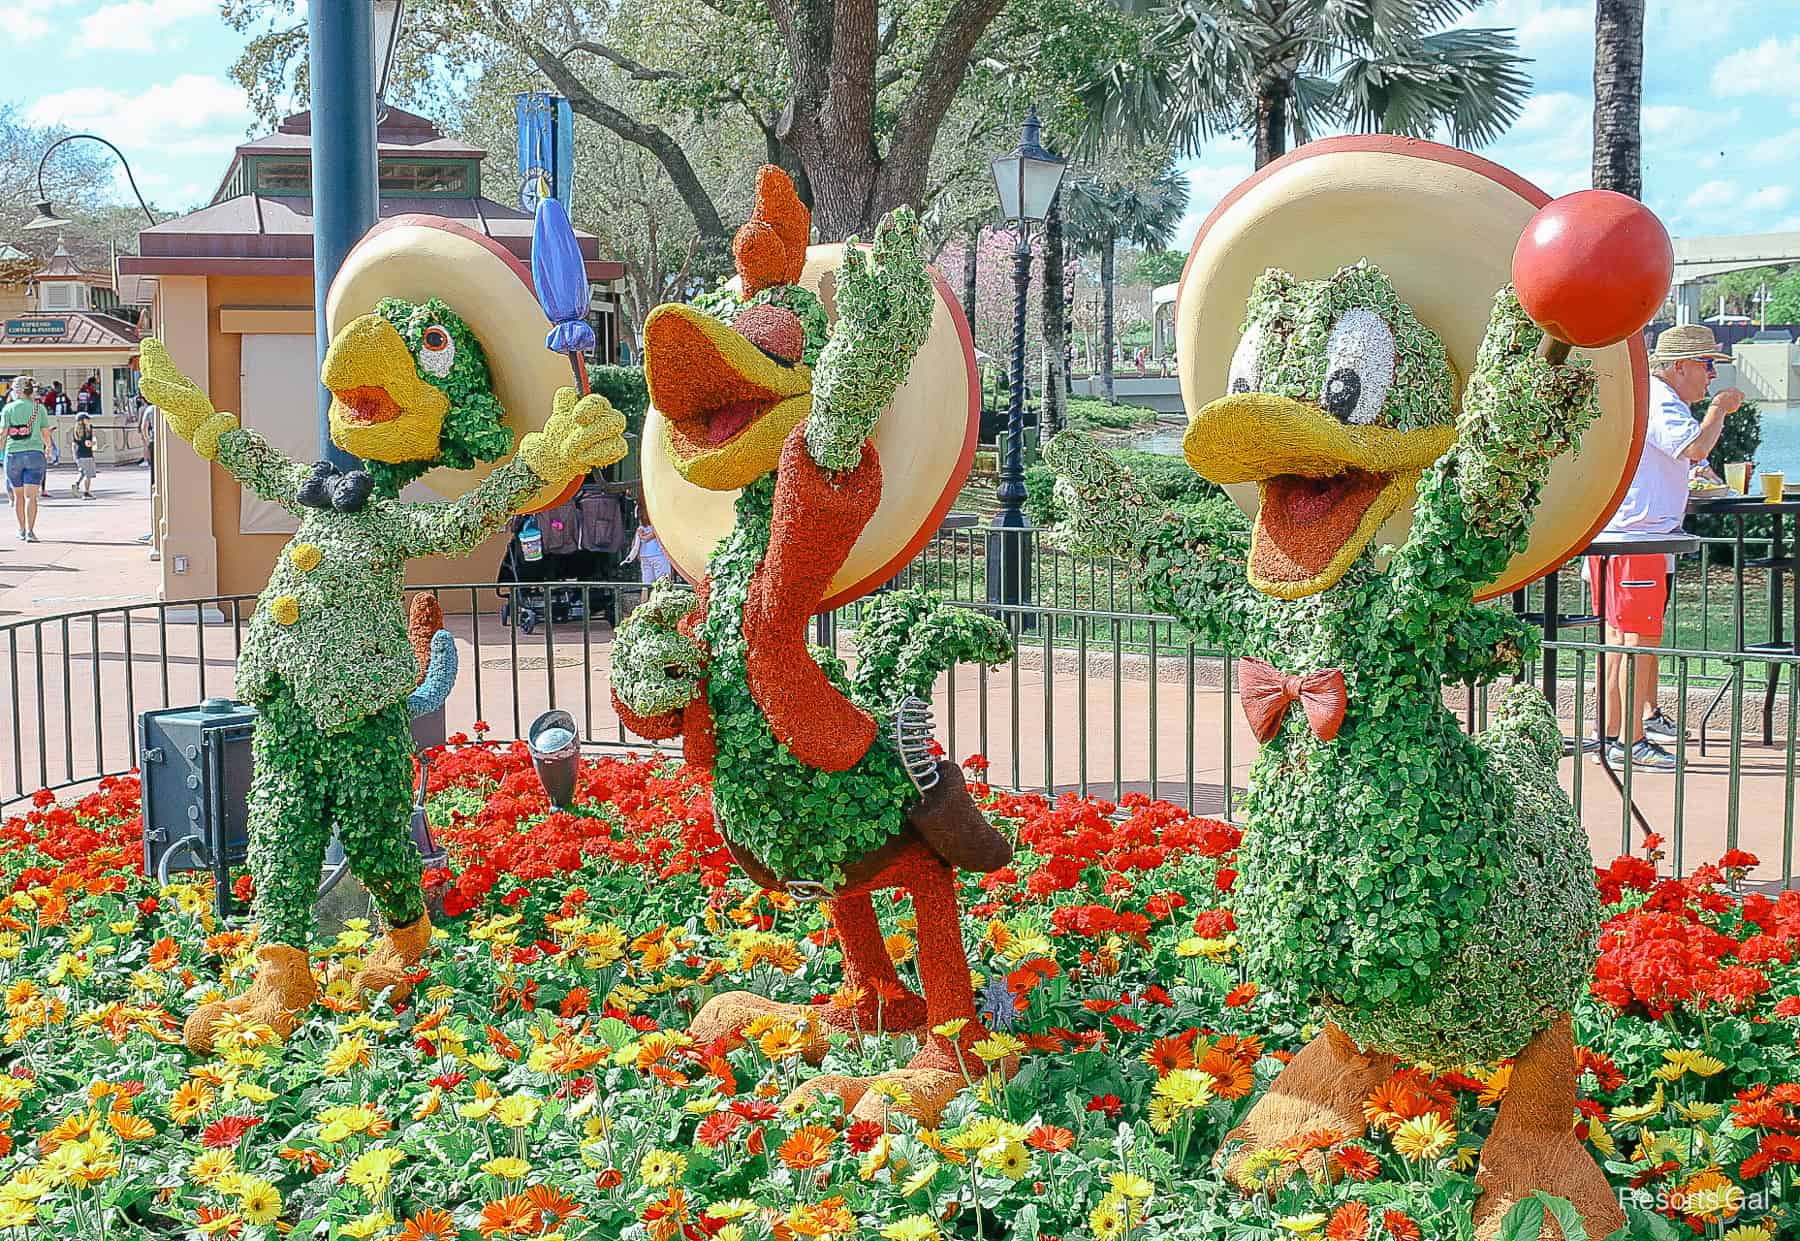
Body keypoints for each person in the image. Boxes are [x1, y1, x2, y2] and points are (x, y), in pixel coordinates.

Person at [1587, 324, 1743, 770]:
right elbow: (1693, 448)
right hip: (1639, 539)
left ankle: (1612, 736)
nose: (1712, 375)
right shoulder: (1661, 401)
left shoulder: (1651, 399)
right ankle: (1628, 741)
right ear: (1679, 367)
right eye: (1708, 364)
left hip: (1627, 537)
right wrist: (1719, 411)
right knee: (1637, 641)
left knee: (1620, 641)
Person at [4, 377, 52, 542]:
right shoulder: (40, 408)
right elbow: (45, 431)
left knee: (18, 496)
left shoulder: (8, 408)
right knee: (31, 496)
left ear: (17, 391)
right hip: (35, 454)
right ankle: (31, 531)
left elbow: (3, 433)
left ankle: (21, 529)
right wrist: (49, 447)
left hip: (14, 454)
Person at [623, 516, 673, 583]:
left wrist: (636, 552)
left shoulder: (639, 511)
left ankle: (645, 593)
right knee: (663, 584)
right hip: (659, 553)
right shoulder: (658, 521)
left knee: (646, 584)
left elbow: (637, 539)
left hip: (644, 554)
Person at [70, 414, 96, 499]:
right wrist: (92, 445)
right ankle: (86, 492)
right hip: (87, 454)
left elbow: (74, 444)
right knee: (88, 474)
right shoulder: (87, 430)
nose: (88, 420)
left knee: (82, 472)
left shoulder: (76, 431)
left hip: (80, 454)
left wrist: (74, 455)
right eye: (86, 419)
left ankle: (76, 484)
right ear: (82, 420)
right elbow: (90, 443)